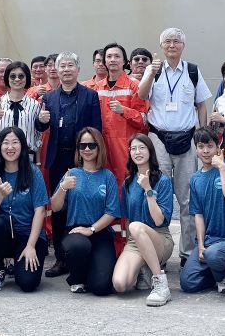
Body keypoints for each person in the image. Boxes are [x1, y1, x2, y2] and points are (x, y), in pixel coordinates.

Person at [137, 27, 211, 265]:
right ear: (161, 46)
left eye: (176, 41)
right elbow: (141, 95)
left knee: (187, 197)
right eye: (167, 41)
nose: (172, 45)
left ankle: (187, 252)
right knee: (156, 192)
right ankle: (157, 250)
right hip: (158, 138)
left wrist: (202, 134)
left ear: (183, 46)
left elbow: (201, 104)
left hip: (187, 139)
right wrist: (151, 73)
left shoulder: (192, 70)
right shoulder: (153, 69)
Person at [41, 52, 102, 277]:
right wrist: (40, 122)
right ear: (56, 70)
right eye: (62, 66)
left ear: (78, 69)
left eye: (70, 65)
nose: (66, 70)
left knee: (84, 204)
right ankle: (61, 258)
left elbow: (96, 129)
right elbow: (42, 127)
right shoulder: (49, 97)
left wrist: (91, 155)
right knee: (59, 210)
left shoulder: (90, 95)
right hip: (57, 159)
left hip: (83, 157)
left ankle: (87, 253)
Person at [50, 128, 120, 295]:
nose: (87, 149)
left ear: (99, 147)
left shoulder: (108, 176)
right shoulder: (71, 174)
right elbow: (55, 207)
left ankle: (91, 272)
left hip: (100, 231)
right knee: (78, 246)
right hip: (75, 230)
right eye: (82, 145)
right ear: (78, 149)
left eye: (91, 145)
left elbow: (111, 212)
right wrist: (63, 187)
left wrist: (92, 229)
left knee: (101, 288)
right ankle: (76, 278)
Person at [0, 126, 50, 293]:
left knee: (27, 284)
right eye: (6, 143)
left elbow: (40, 211)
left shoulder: (33, 173)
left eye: (15, 142)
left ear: (23, 146)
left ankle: (17, 264)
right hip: (4, 234)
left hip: (28, 235)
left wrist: (31, 246)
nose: (10, 147)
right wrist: (0, 195)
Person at [111, 134, 174, 306]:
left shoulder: (163, 180)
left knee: (137, 227)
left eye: (142, 148)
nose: (137, 152)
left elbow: (159, 220)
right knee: (120, 284)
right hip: (135, 240)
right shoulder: (127, 183)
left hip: (159, 238)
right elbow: (126, 219)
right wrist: (127, 246)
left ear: (150, 151)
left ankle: (160, 284)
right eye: (133, 149)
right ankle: (143, 269)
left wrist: (148, 190)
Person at [179, 128, 225, 293]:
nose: (206, 151)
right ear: (196, 149)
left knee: (214, 255)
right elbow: (198, 215)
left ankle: (223, 274)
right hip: (209, 241)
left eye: (210, 146)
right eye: (201, 146)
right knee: (188, 283)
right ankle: (219, 272)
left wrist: (222, 168)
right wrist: (201, 245)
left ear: (217, 147)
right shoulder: (195, 179)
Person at [95, 42, 148, 186]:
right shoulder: (97, 88)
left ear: (125, 61)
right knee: (105, 183)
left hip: (126, 145)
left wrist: (124, 111)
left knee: (127, 182)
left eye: (117, 56)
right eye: (109, 56)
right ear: (104, 61)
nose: (112, 59)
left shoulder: (134, 85)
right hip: (103, 145)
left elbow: (144, 120)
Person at [0, 61, 45, 161]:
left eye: (21, 76)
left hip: (26, 157)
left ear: (27, 78)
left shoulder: (34, 105)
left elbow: (37, 138)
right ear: (7, 78)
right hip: (1, 156)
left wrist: (38, 163)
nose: (17, 79)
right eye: (12, 76)